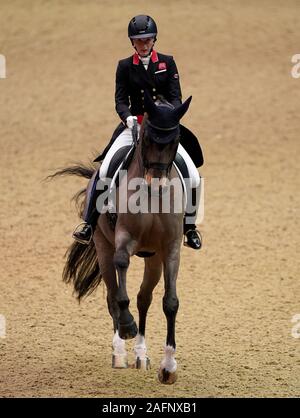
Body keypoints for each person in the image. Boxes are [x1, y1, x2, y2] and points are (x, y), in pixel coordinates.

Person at [73, 15, 203, 249]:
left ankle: (190, 227)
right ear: (132, 42)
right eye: (139, 40)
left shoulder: (167, 62)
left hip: (163, 127)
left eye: (147, 39)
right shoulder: (124, 66)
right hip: (135, 126)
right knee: (105, 170)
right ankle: (89, 224)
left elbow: (176, 96)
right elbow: (120, 100)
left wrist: (168, 114)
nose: (144, 44)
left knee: (192, 174)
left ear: (154, 39)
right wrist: (128, 118)